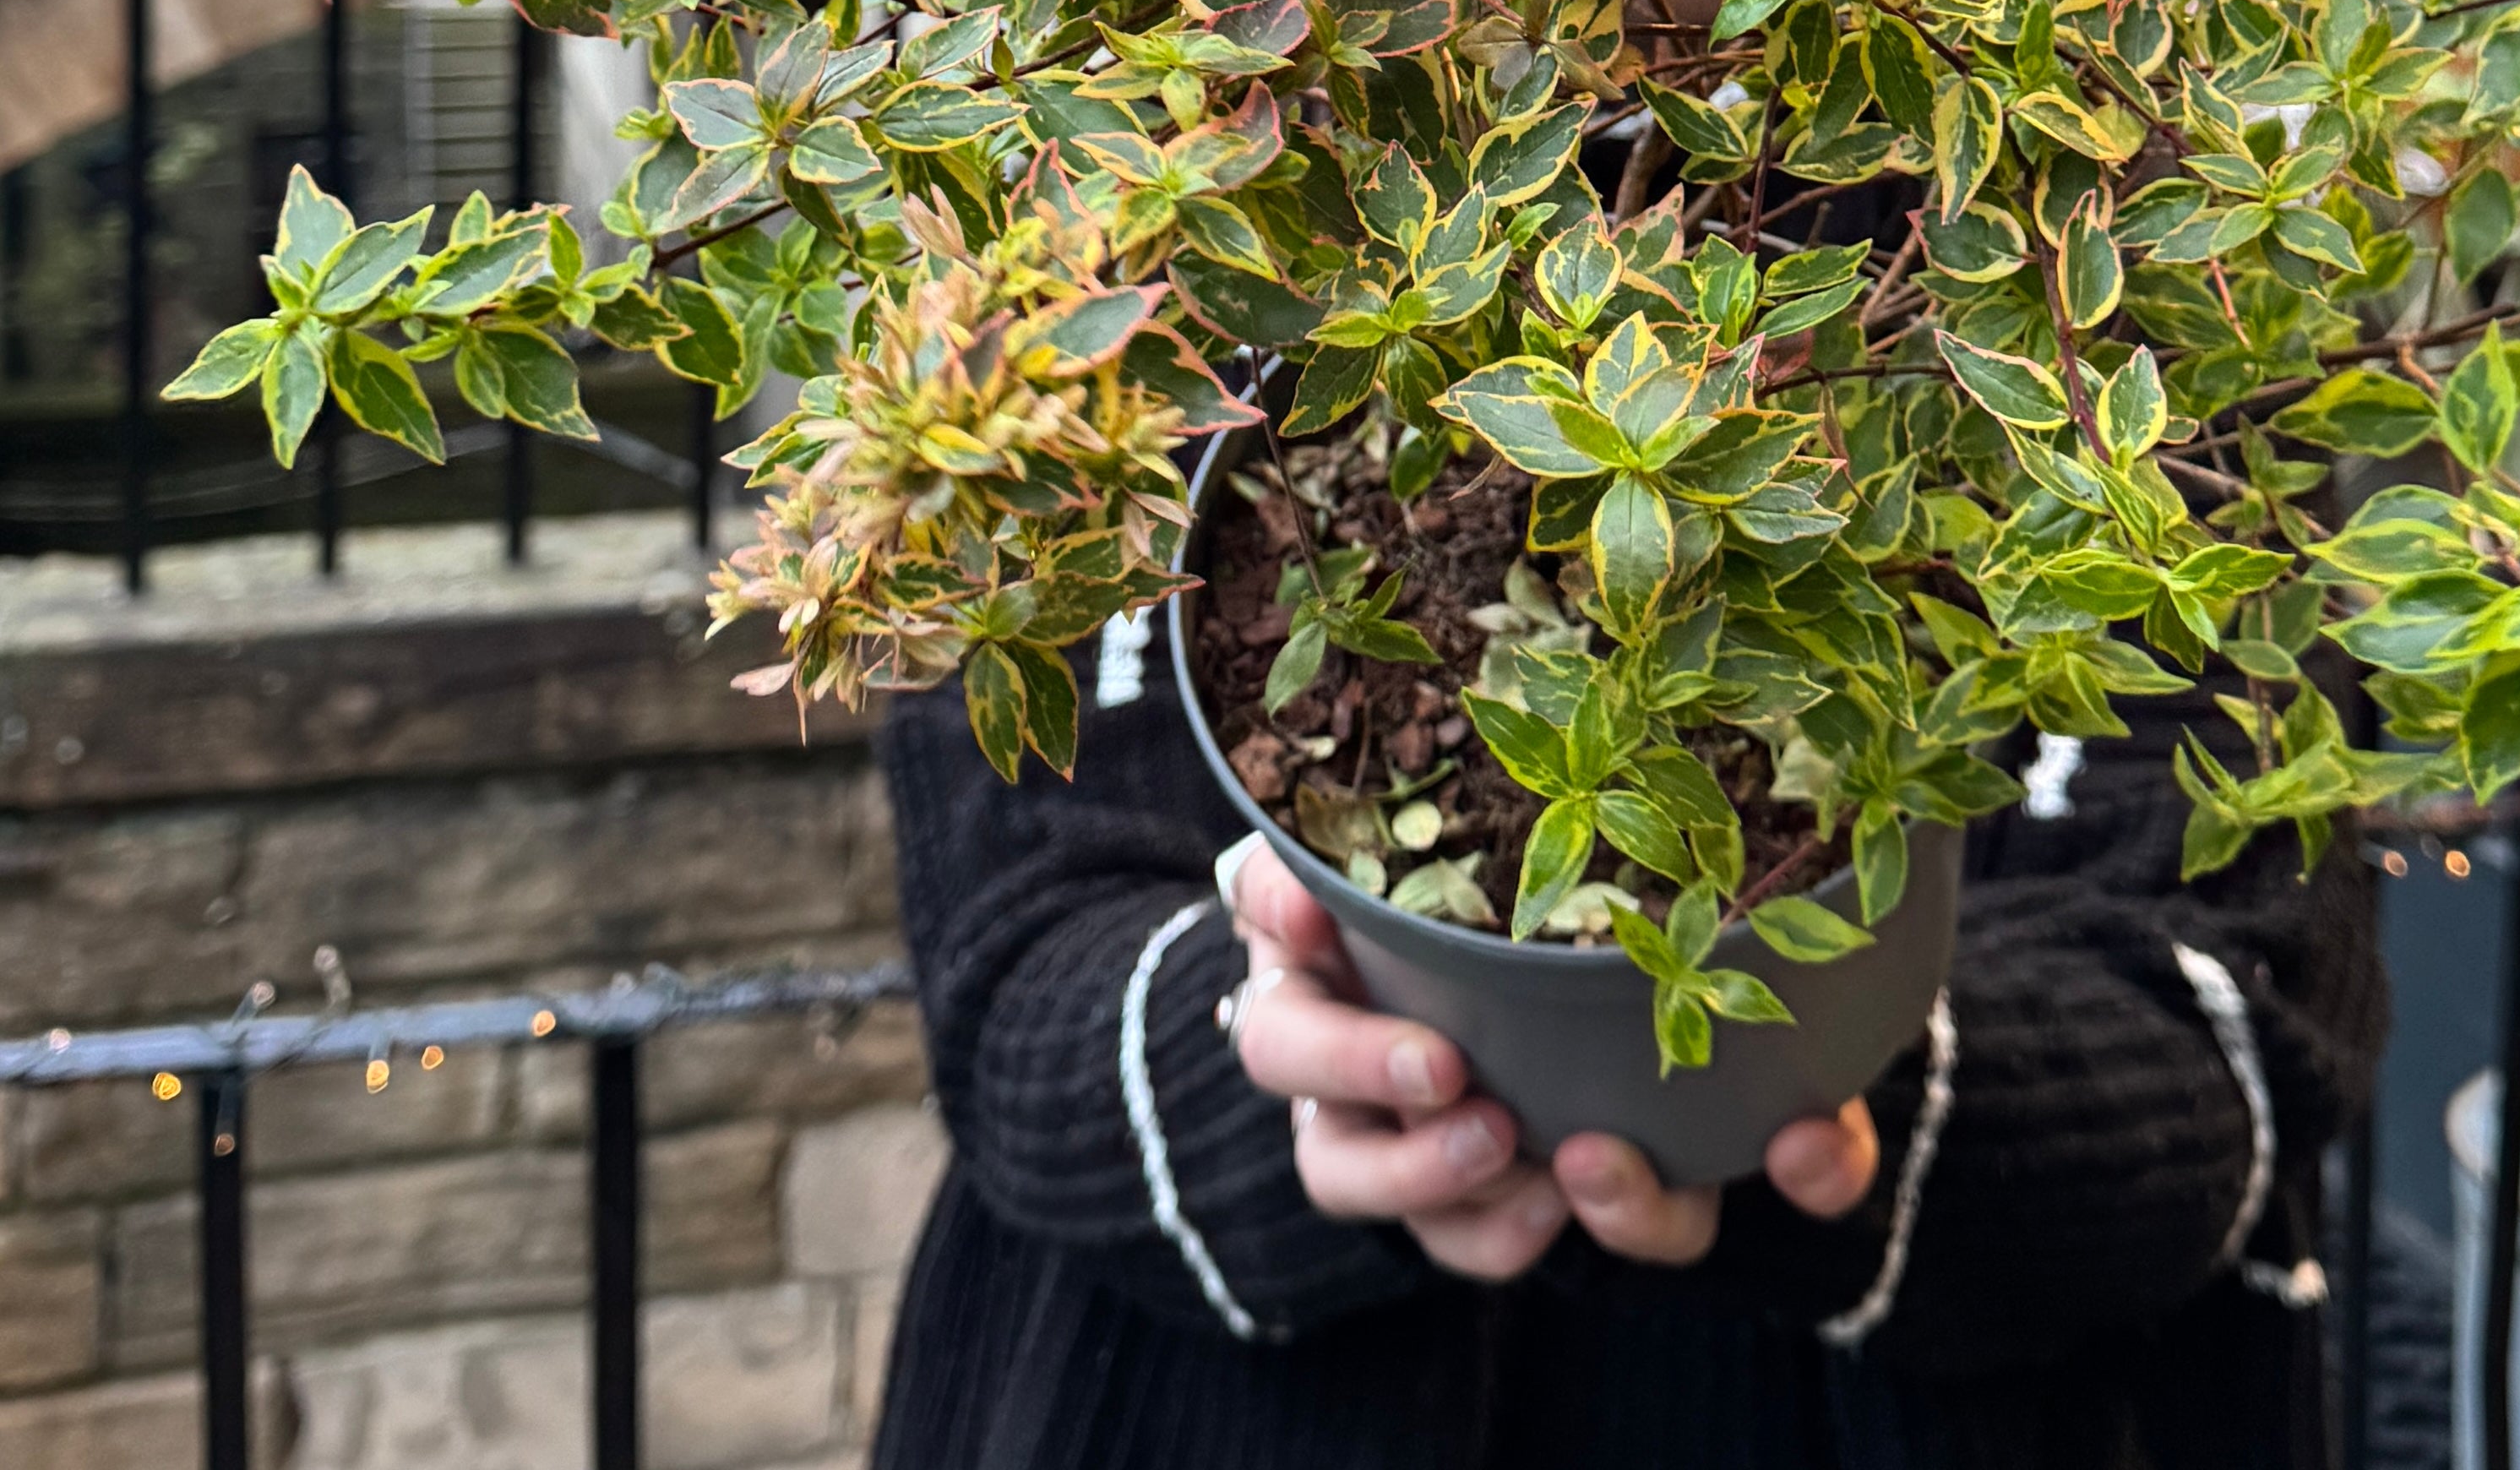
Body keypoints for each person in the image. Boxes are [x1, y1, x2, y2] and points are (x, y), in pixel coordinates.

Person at [872, 612, 2386, 1470]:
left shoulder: (2112, 174)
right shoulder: (1098, 159)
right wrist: (1302, 1043)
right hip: (1183, 1406)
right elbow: (1013, 958)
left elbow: (2241, 1006)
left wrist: (1818, 1076)